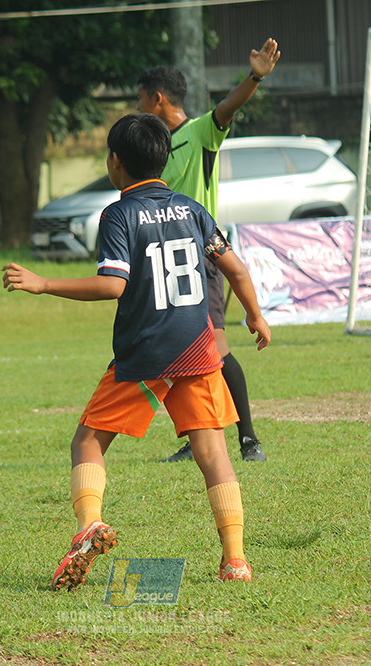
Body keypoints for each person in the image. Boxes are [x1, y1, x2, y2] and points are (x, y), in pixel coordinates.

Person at [2, 113, 271, 589]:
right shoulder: (191, 208)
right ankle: (235, 560)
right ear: (165, 159)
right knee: (213, 452)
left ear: (114, 162)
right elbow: (237, 269)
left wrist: (43, 283)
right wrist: (254, 315)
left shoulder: (118, 214)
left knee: (87, 441)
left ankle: (88, 525)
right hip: (198, 347)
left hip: (145, 353)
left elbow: (111, 284)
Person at [137, 38, 281, 464]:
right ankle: (198, 432)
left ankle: (249, 439)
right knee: (180, 349)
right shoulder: (158, 147)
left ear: (157, 99)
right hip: (165, 259)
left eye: (141, 100)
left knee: (215, 348)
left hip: (201, 255)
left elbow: (228, 108)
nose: (139, 107)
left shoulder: (200, 131)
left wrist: (254, 76)